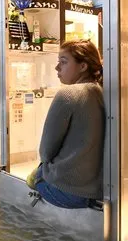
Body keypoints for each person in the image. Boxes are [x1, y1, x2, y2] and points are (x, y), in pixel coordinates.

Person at [26, 40, 105, 208]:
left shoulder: (68, 94)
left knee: (38, 172)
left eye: (63, 61)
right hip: (99, 189)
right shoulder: (103, 93)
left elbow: (46, 151)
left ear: (83, 66)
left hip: (67, 192)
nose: (57, 68)